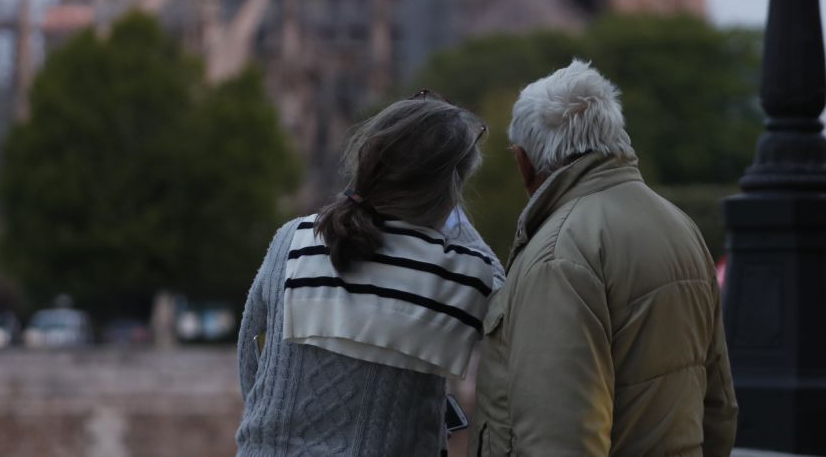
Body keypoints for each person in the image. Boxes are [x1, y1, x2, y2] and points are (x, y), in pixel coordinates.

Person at [471, 60, 738, 456]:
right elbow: (719, 407)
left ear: (524, 162)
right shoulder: (681, 227)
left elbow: (559, 439)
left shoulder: (557, 254)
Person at [237, 91, 504, 457]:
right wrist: (453, 212)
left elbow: (249, 354)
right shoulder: (464, 273)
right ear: (449, 186)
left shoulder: (293, 239)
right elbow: (509, 312)